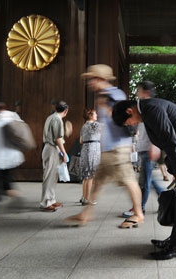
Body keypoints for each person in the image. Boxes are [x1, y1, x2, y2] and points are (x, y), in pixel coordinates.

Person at [112, 98, 176, 260]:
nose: (130, 125)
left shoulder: (150, 109)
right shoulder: (148, 109)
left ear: (129, 111)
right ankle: (175, 240)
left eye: (127, 122)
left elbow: (170, 140)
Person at [64, 64, 144, 229]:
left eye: (91, 79)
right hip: (109, 148)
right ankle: (86, 214)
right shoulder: (104, 96)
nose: (89, 83)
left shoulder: (114, 94)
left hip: (118, 148)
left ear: (100, 79)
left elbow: (124, 117)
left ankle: (138, 213)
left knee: (128, 180)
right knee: (99, 181)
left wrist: (106, 107)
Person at [122, 81, 165, 218]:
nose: (136, 93)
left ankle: (139, 208)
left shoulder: (150, 107)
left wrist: (154, 145)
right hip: (145, 147)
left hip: (148, 148)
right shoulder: (143, 107)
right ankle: (164, 199)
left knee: (145, 181)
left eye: (138, 91)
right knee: (149, 180)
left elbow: (157, 129)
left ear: (145, 92)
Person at [40, 100, 69, 212]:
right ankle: (46, 203)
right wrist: (64, 153)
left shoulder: (50, 117)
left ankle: (51, 200)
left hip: (49, 148)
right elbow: (57, 139)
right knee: (49, 176)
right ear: (66, 111)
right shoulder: (57, 119)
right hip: (52, 148)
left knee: (53, 176)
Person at [78, 108, 100, 205]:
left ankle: (84, 197)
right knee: (91, 175)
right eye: (95, 114)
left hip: (85, 150)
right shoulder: (96, 125)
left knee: (86, 176)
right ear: (91, 115)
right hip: (93, 150)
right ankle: (88, 198)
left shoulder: (84, 126)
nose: (97, 115)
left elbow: (81, 141)